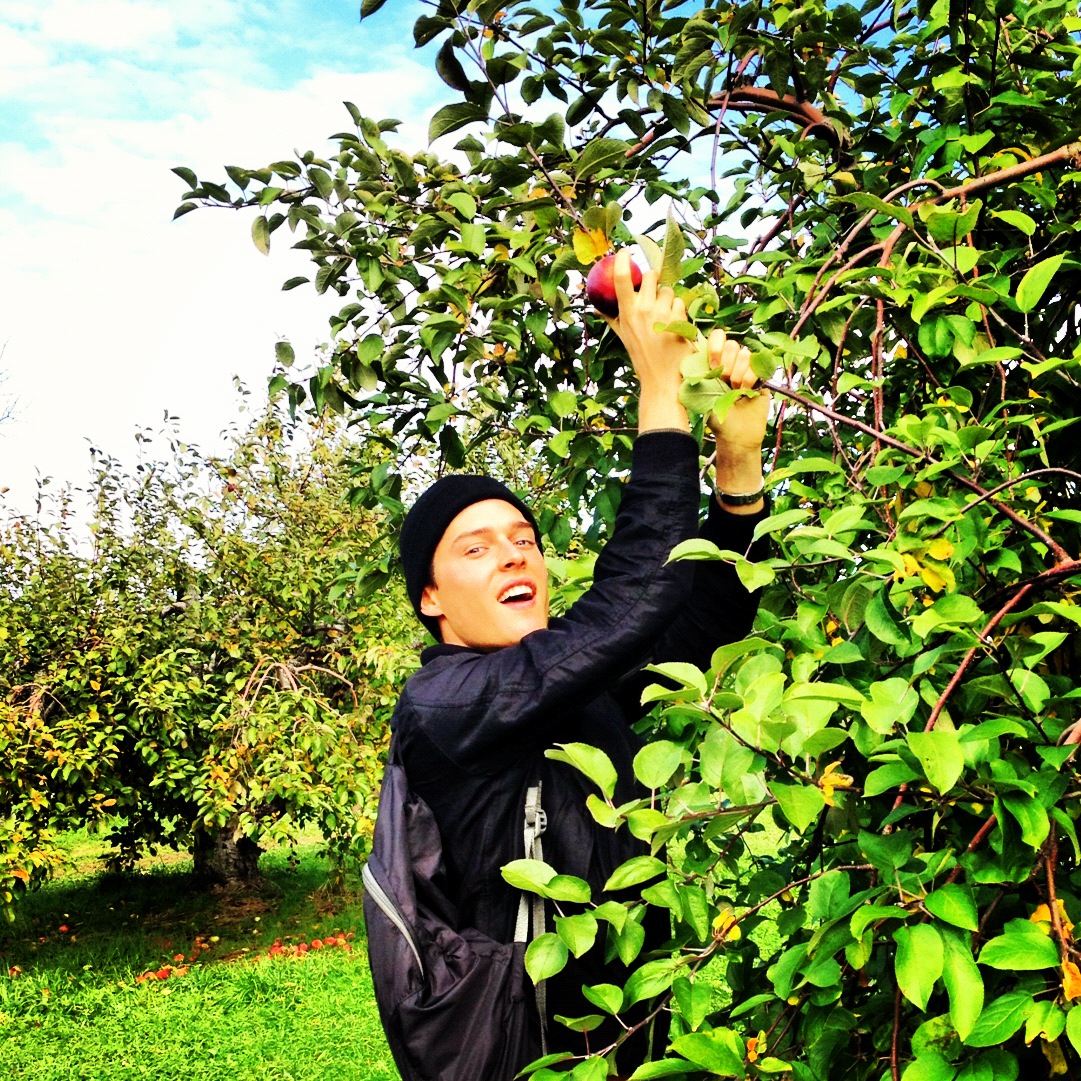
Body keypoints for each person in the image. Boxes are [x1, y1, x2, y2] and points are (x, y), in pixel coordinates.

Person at [391, 251, 771, 1076]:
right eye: (478, 547)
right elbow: (631, 598)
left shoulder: (561, 689)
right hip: (524, 1050)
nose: (513, 557)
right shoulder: (445, 703)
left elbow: (694, 623)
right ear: (430, 598)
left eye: (524, 541)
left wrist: (738, 466)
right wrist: (660, 392)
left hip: (627, 1034)